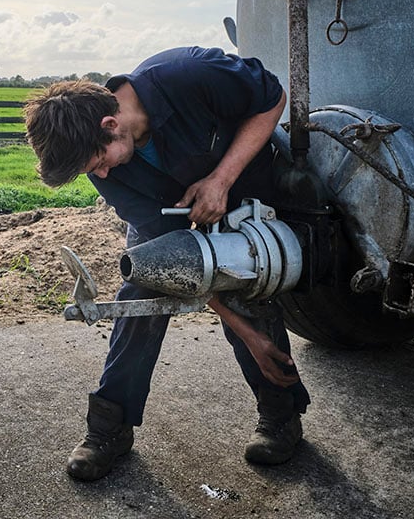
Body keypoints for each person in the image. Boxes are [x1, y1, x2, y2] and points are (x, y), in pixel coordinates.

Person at [24, 46, 310, 481]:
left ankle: (281, 416)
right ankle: (108, 430)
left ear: (110, 124)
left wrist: (221, 180)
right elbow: (174, 259)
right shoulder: (111, 175)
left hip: (246, 198)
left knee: (247, 283)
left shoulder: (189, 75)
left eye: (98, 163)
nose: (101, 176)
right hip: (168, 222)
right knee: (140, 296)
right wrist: (242, 332)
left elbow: (271, 99)